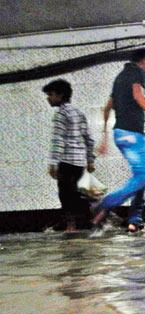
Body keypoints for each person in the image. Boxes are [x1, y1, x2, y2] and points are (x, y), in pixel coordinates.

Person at [94, 48, 145, 232]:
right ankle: (106, 204)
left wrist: (105, 139)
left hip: (119, 135)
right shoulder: (137, 72)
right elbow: (138, 97)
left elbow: (107, 108)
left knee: (140, 178)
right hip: (133, 135)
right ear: (144, 61)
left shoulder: (119, 78)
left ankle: (135, 220)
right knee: (144, 176)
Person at [43, 79, 96, 232]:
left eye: (50, 95)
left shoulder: (60, 114)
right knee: (80, 195)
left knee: (66, 195)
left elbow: (58, 140)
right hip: (80, 162)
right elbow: (89, 138)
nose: (48, 98)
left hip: (66, 162)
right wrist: (90, 160)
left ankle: (71, 226)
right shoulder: (79, 113)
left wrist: (53, 163)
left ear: (60, 95)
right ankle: (90, 224)